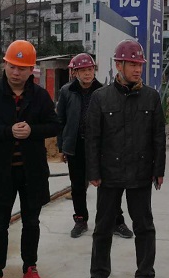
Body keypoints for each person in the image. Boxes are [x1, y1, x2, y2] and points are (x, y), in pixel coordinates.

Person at [0, 40, 60, 278]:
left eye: (22, 68)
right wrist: (7, 131)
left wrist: (33, 130)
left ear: (31, 69)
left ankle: (30, 268)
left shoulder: (40, 96)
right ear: (5, 64)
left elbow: (55, 125)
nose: (16, 72)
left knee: (31, 223)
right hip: (1, 172)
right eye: (12, 66)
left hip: (32, 172)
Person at [82, 39, 166, 278]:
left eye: (139, 64)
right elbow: (92, 137)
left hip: (141, 173)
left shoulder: (151, 97)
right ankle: (98, 274)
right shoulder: (101, 97)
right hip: (110, 174)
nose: (138, 69)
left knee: (144, 227)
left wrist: (158, 170)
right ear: (119, 65)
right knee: (103, 227)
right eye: (132, 64)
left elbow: (158, 137)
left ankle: (145, 277)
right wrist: (93, 172)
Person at [56, 53, 133, 239]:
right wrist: (62, 147)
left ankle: (116, 221)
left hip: (100, 147)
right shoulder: (66, 92)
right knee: (77, 186)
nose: (87, 73)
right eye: (83, 70)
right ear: (75, 72)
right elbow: (60, 121)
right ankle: (80, 220)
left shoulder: (104, 91)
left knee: (108, 185)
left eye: (90, 69)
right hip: (76, 145)